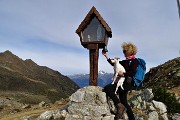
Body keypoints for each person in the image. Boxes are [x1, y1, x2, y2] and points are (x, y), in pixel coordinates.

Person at [102, 42, 138, 120]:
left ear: (130, 51)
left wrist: (123, 74)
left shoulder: (134, 61)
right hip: (123, 83)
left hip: (126, 83)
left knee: (108, 88)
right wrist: (106, 56)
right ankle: (132, 118)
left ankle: (119, 106)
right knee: (124, 101)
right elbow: (113, 64)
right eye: (123, 51)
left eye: (125, 51)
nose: (123, 53)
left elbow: (133, 72)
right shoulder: (125, 61)